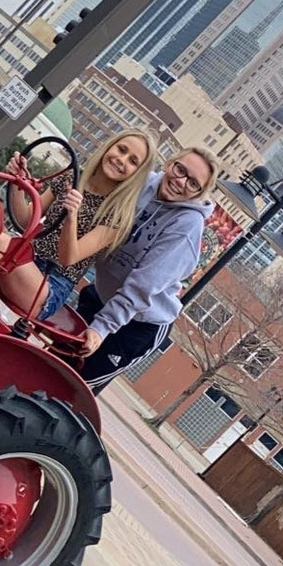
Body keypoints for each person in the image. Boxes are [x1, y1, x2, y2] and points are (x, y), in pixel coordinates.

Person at [0, 129, 156, 320]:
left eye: (133, 161)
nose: (121, 160)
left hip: (49, 284)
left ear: (137, 174)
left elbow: (69, 258)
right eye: (122, 150)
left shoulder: (117, 216)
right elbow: (25, 221)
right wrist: (20, 184)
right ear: (109, 147)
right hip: (24, 258)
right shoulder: (72, 177)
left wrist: (72, 217)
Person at [73, 147, 220, 394]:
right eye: (180, 169)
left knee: (74, 387)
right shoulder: (140, 185)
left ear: (199, 193)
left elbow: (142, 287)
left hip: (138, 324)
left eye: (192, 183)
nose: (180, 182)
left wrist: (101, 329)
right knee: (50, 359)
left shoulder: (186, 226)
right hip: (100, 296)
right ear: (170, 162)